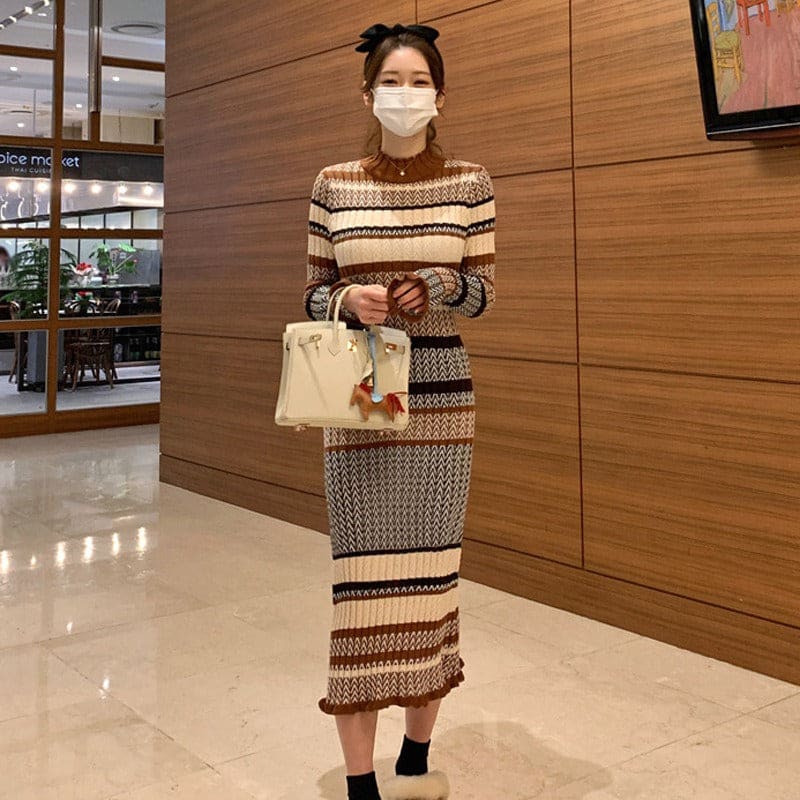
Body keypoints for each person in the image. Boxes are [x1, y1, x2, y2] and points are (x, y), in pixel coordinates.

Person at [303, 22, 496, 800]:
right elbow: (314, 292)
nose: (407, 95)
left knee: (430, 582)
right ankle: (360, 784)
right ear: (368, 93)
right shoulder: (332, 184)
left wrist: (441, 286)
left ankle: (416, 756)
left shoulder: (471, 183)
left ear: (440, 95)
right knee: (362, 589)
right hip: (360, 396)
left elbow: (483, 292)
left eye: (421, 82)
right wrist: (351, 296)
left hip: (442, 401)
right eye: (395, 81)